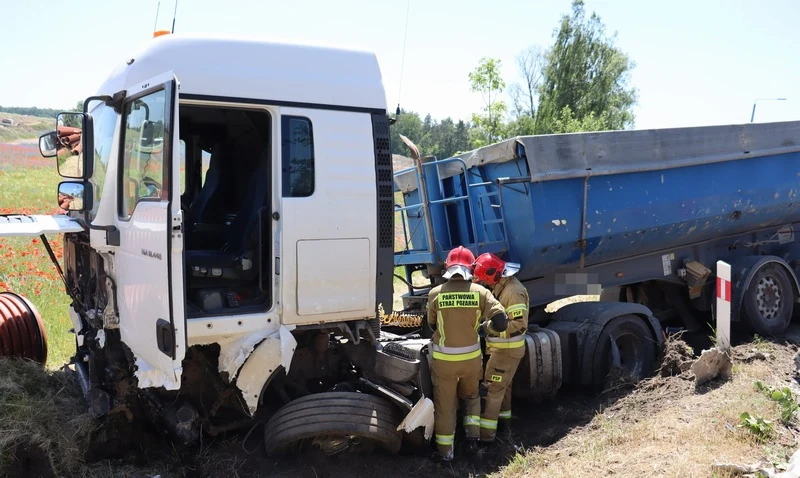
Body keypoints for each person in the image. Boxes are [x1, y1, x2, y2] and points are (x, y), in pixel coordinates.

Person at [427, 246, 508, 462]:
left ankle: (446, 454)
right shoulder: (481, 292)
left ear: (447, 266)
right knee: (472, 397)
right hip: (472, 361)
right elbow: (501, 322)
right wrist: (485, 329)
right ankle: (472, 441)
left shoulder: (435, 294)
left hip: (444, 363)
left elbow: (430, 327)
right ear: (471, 267)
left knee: (445, 406)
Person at [473, 252, 529, 444]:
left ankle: (485, 438)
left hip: (506, 351)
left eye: (485, 281)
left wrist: (487, 328)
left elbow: (517, 326)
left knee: (490, 391)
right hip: (502, 351)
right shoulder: (503, 286)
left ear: (494, 275)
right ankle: (505, 426)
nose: (485, 284)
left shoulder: (513, 292)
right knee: (502, 389)